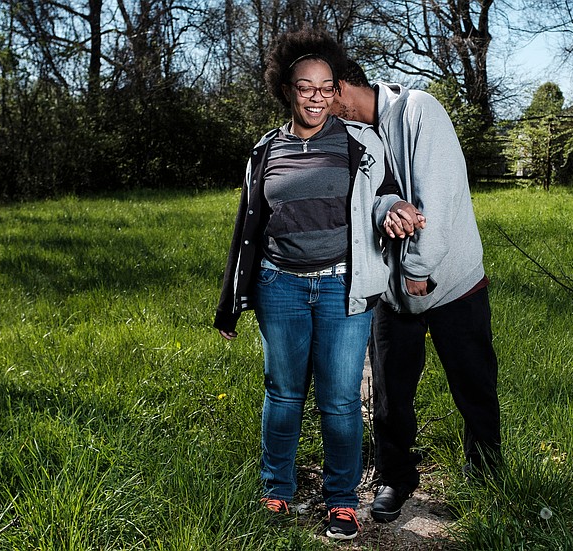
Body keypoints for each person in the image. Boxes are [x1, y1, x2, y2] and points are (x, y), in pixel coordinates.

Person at [213, 29, 420, 540]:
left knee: (341, 400)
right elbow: (247, 228)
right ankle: (276, 491)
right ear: (288, 89)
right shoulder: (264, 151)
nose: (316, 97)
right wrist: (230, 305)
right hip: (278, 286)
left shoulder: (359, 143)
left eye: (326, 88)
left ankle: (342, 501)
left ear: (335, 92)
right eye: (305, 87)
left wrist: (393, 209)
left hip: (340, 289)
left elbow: (383, 196)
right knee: (283, 394)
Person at [330, 62, 502, 522]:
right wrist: (385, 209)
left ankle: (486, 476)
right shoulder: (351, 134)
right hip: (391, 291)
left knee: (473, 382)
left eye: (327, 92)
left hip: (451, 281)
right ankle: (395, 478)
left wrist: (418, 266)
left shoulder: (419, 110)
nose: (319, 103)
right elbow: (368, 196)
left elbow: (439, 195)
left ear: (343, 87)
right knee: (390, 391)